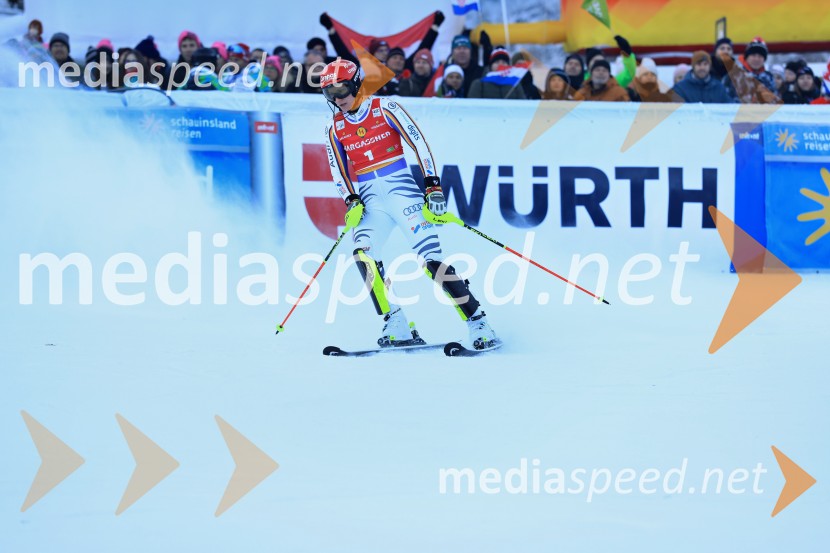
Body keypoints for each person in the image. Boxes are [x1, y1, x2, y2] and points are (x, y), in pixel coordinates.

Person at [320, 59, 499, 350]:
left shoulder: (385, 108)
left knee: (432, 261)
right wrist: (351, 200)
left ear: (356, 83)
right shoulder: (334, 126)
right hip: (371, 202)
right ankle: (396, 322)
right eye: (329, 94)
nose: (337, 99)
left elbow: (419, 144)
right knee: (363, 256)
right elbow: (337, 169)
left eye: (340, 90)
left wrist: (433, 186)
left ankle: (479, 322)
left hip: (403, 193)